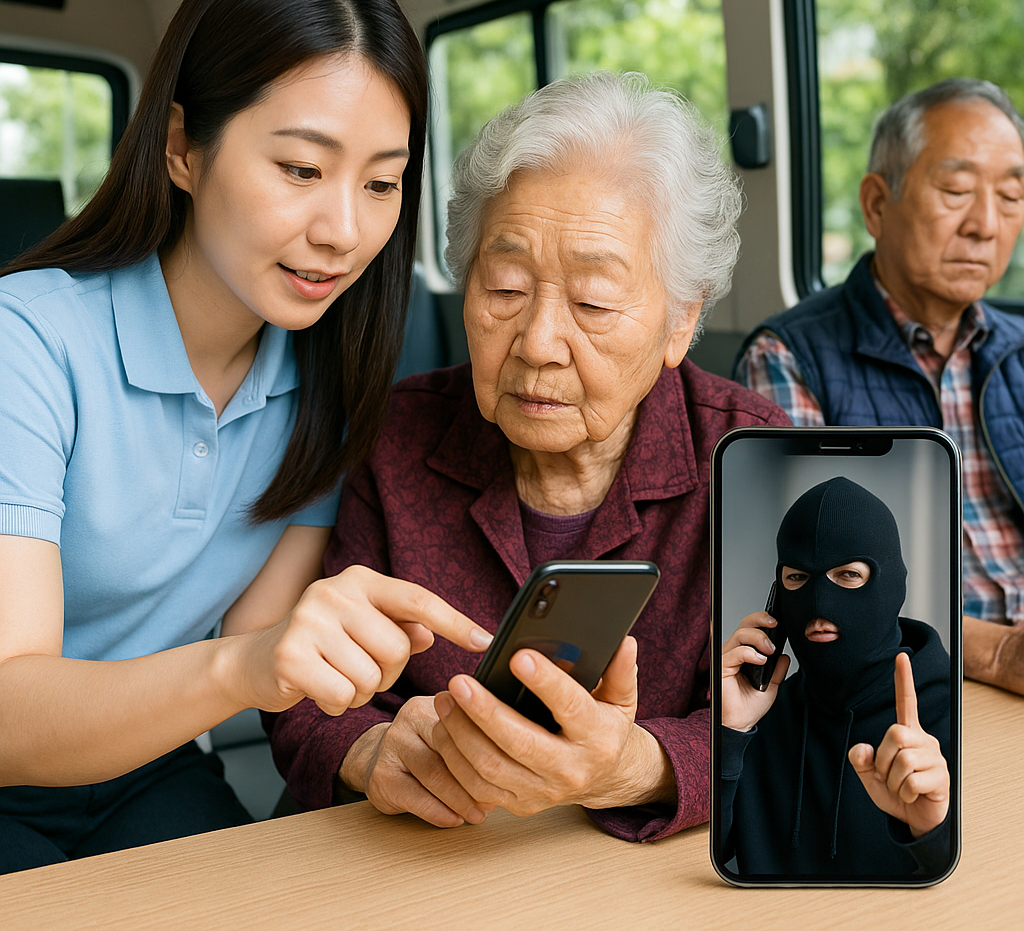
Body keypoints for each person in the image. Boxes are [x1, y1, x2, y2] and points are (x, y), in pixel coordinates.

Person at [0, 0, 493, 876]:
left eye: (381, 182)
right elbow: (9, 711)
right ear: (183, 148)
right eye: (302, 169)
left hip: (144, 771)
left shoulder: (327, 381)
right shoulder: (25, 343)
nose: (343, 230)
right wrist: (247, 665)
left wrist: (413, 731)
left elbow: (273, 640)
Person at [264, 71, 791, 842]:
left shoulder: (753, 458)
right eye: (505, 287)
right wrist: (374, 750)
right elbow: (306, 692)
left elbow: (810, 715)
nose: (539, 344)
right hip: (422, 856)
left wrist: (642, 767)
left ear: (681, 322)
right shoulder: (399, 436)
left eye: (593, 304)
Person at [734, 78, 1024, 696]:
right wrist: (997, 652)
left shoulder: (1020, 351)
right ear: (876, 204)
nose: (985, 225)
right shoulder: (788, 357)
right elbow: (810, 584)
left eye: (1011, 196)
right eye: (956, 191)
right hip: (904, 680)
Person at [720, 477, 951, 879]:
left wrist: (932, 829)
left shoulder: (949, 711)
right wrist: (729, 733)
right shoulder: (761, 713)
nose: (819, 605)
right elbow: (706, 861)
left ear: (891, 585)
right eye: (797, 579)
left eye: (847, 575)